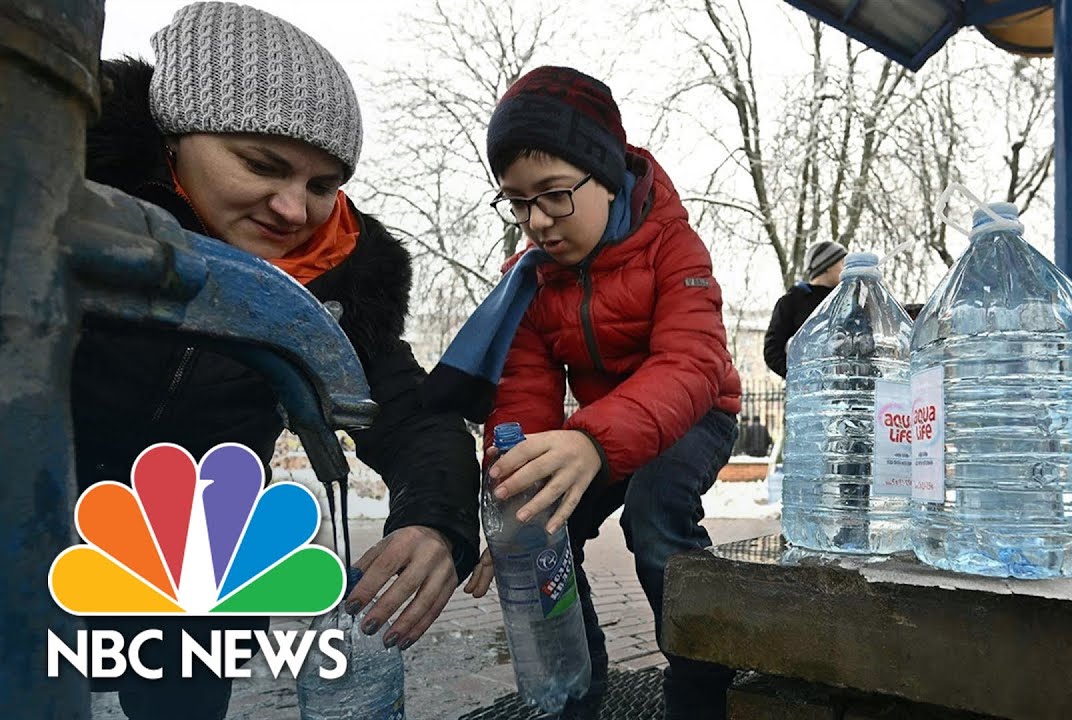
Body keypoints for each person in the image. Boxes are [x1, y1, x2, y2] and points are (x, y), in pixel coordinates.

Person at [77, 3, 479, 716]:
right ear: (175, 135)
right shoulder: (71, 202)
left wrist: (438, 519)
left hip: (196, 568)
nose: (294, 210)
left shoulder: (341, 279)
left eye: (323, 185)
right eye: (261, 165)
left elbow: (410, 414)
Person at [435, 66, 742, 720]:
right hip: (600, 430)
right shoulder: (530, 284)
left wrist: (592, 441)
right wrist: (513, 514)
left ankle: (703, 692)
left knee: (656, 517)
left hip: (697, 413)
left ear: (604, 176)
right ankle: (577, 687)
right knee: (547, 529)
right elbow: (521, 399)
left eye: (553, 195)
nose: (537, 222)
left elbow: (693, 363)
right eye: (517, 203)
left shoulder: (672, 245)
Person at [763, 240, 848, 378]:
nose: (846, 268)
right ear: (826, 265)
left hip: (844, 389)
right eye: (842, 263)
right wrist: (799, 376)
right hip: (808, 394)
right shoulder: (792, 301)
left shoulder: (847, 300)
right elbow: (772, 350)